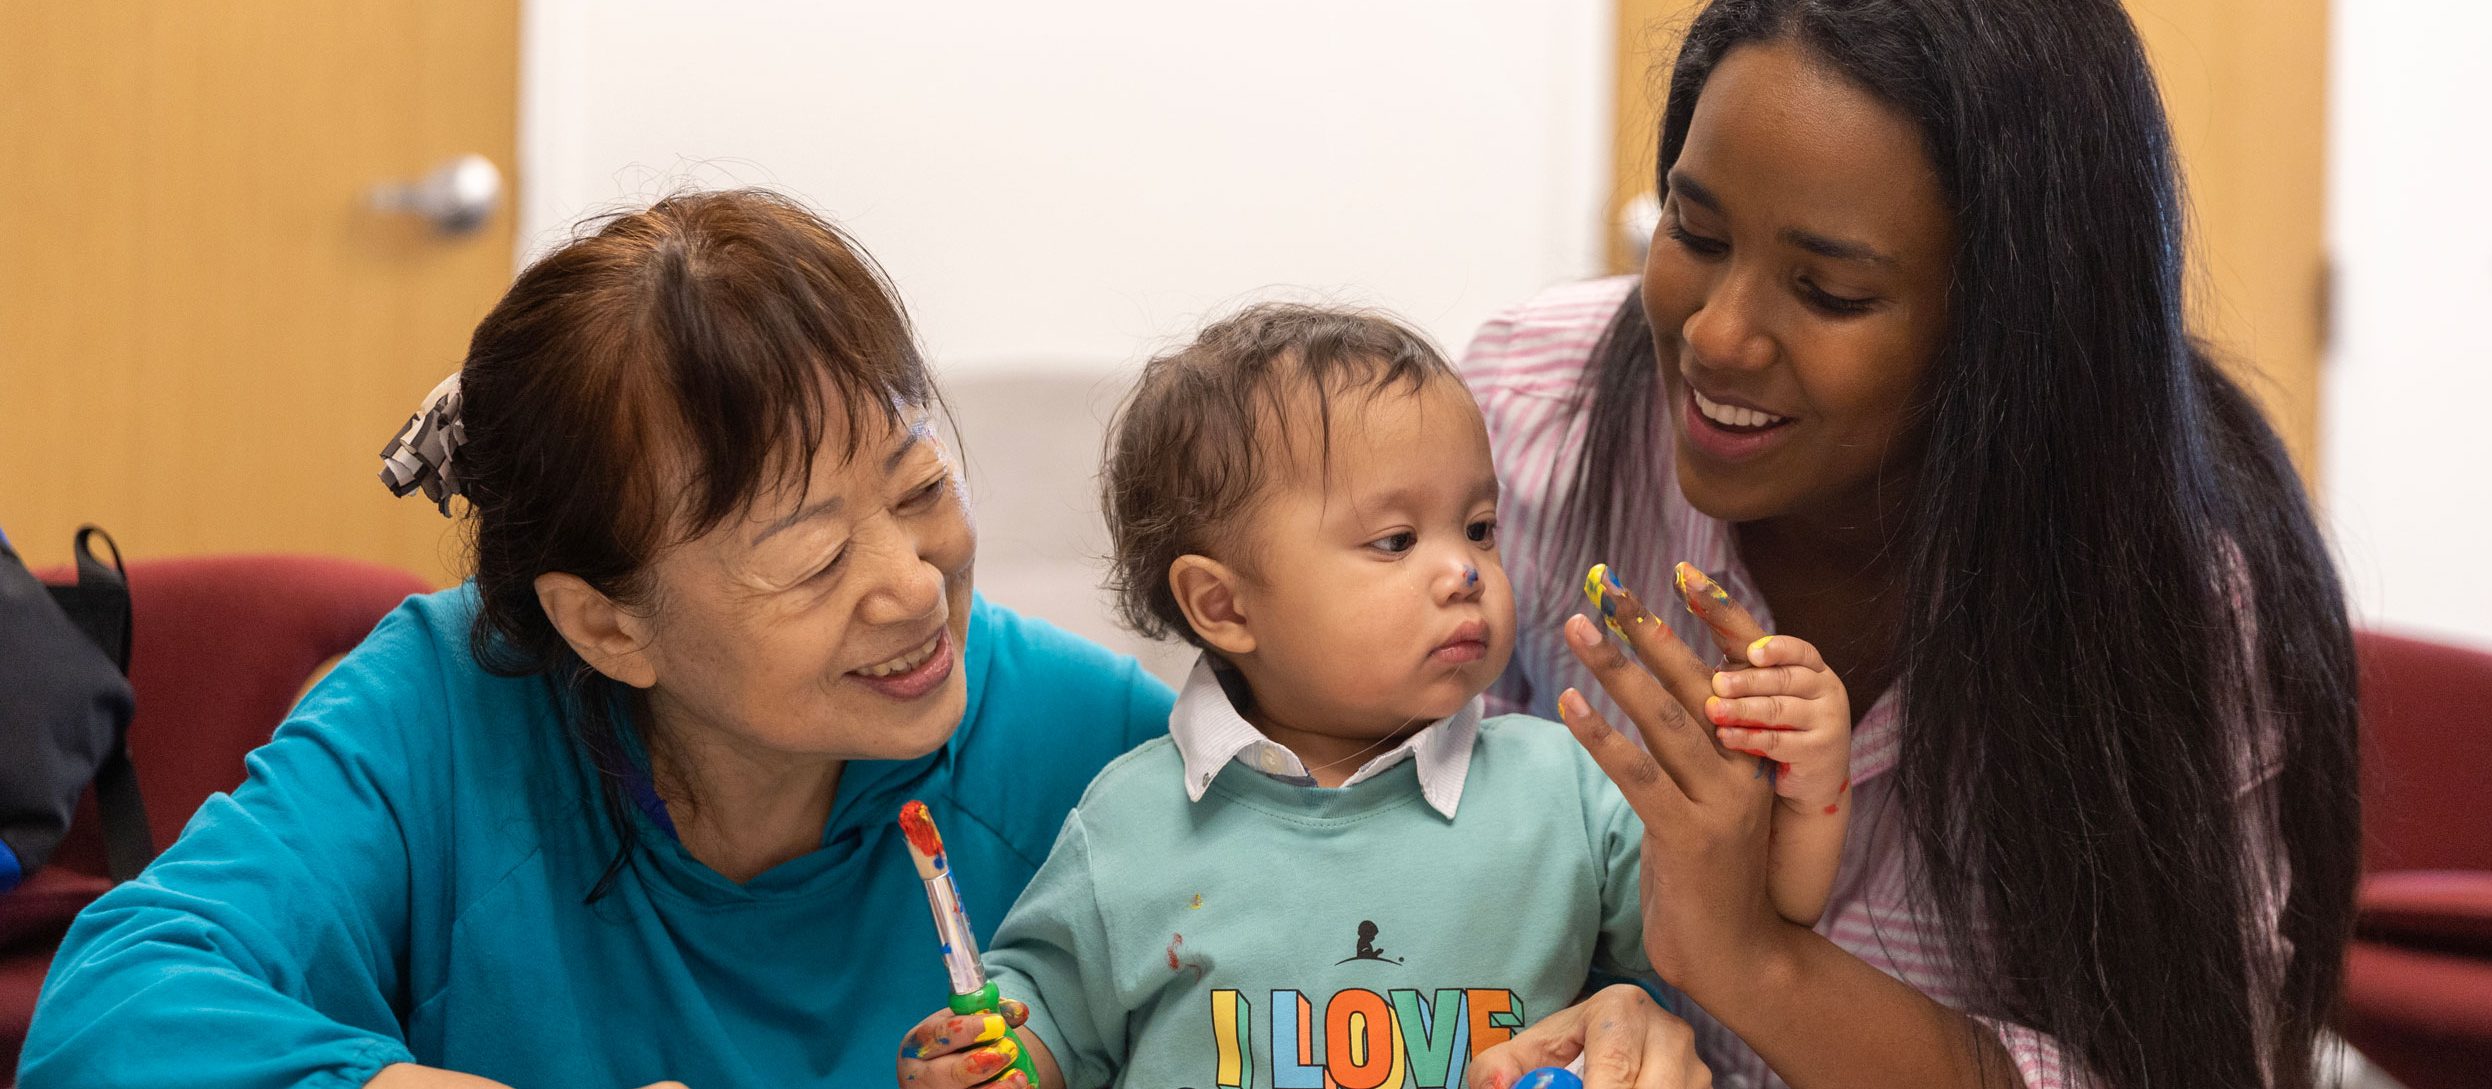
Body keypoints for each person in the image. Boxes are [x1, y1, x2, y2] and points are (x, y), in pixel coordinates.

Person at [17, 190, 1181, 1088]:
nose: (911, 587)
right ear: (607, 625)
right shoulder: (444, 713)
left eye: (921, 487)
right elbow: (110, 1018)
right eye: (814, 559)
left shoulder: (1088, 749)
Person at [1461, 1, 2360, 1087]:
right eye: (1694, 233)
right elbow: (1373, 871)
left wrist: (1751, 964)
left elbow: (2189, 1067)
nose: (1715, 334)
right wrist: (1586, 1006)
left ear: (2008, 330)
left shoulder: (2180, 596)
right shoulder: (1526, 410)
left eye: (1827, 291)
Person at [891, 305, 1749, 1089]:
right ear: (1224, 605)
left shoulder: (1566, 789)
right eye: (1396, 539)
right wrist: (991, 1062)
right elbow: (1044, 1013)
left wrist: (1776, 773)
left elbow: (1732, 927)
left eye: (1479, 527)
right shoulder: (1129, 824)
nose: (1463, 570)